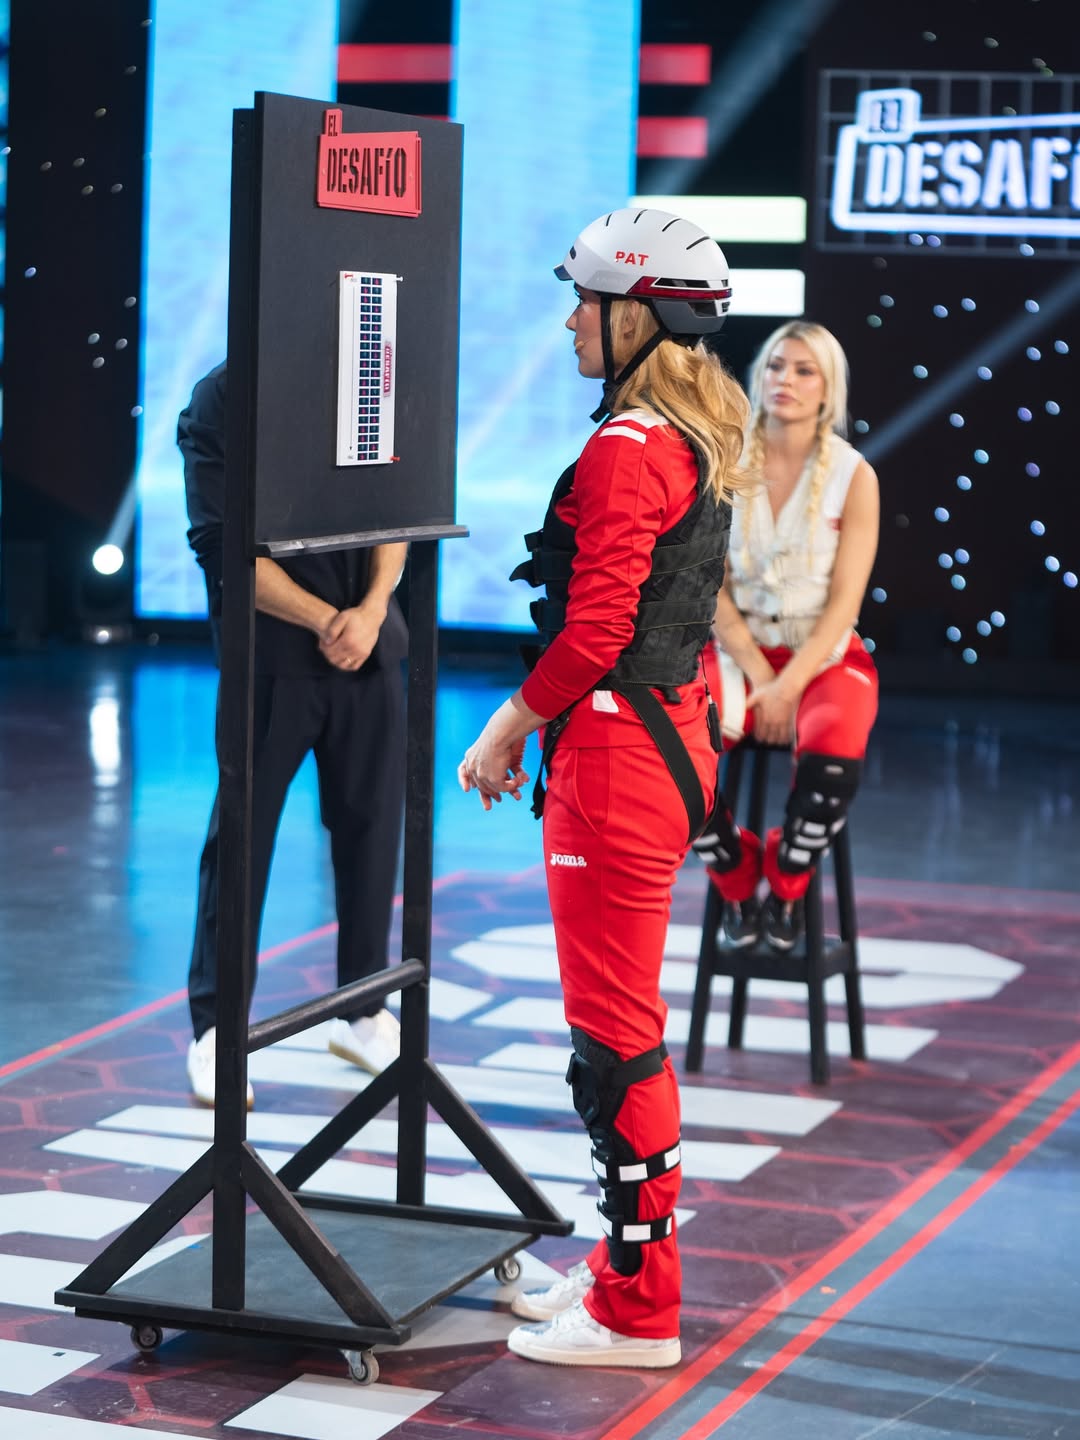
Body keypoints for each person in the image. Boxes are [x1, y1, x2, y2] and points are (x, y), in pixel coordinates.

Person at [458, 208, 749, 1368]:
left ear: (641, 314)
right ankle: (625, 1267)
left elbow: (595, 634)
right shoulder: (694, 434)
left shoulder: (631, 449)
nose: (572, 320)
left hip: (620, 761)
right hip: (663, 741)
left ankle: (638, 1311)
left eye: (587, 300)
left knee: (614, 1040)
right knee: (618, 1033)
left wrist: (503, 729)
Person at [180, 361, 408, 1108]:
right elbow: (223, 548)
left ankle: (363, 1010)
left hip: (370, 651)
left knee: (372, 835)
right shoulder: (223, 396)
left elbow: (397, 511)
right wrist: (327, 620)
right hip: (270, 661)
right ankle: (217, 1031)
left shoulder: (364, 373)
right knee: (241, 845)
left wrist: (370, 611)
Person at [692, 321, 880, 951]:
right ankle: (734, 875)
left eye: (804, 370)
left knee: (833, 766)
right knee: (672, 759)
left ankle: (787, 885)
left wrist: (787, 686)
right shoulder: (722, 460)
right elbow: (708, 587)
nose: (786, 381)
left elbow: (846, 602)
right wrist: (761, 679)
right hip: (736, 651)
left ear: (828, 387)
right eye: (776, 366)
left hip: (822, 658)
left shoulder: (855, 475)